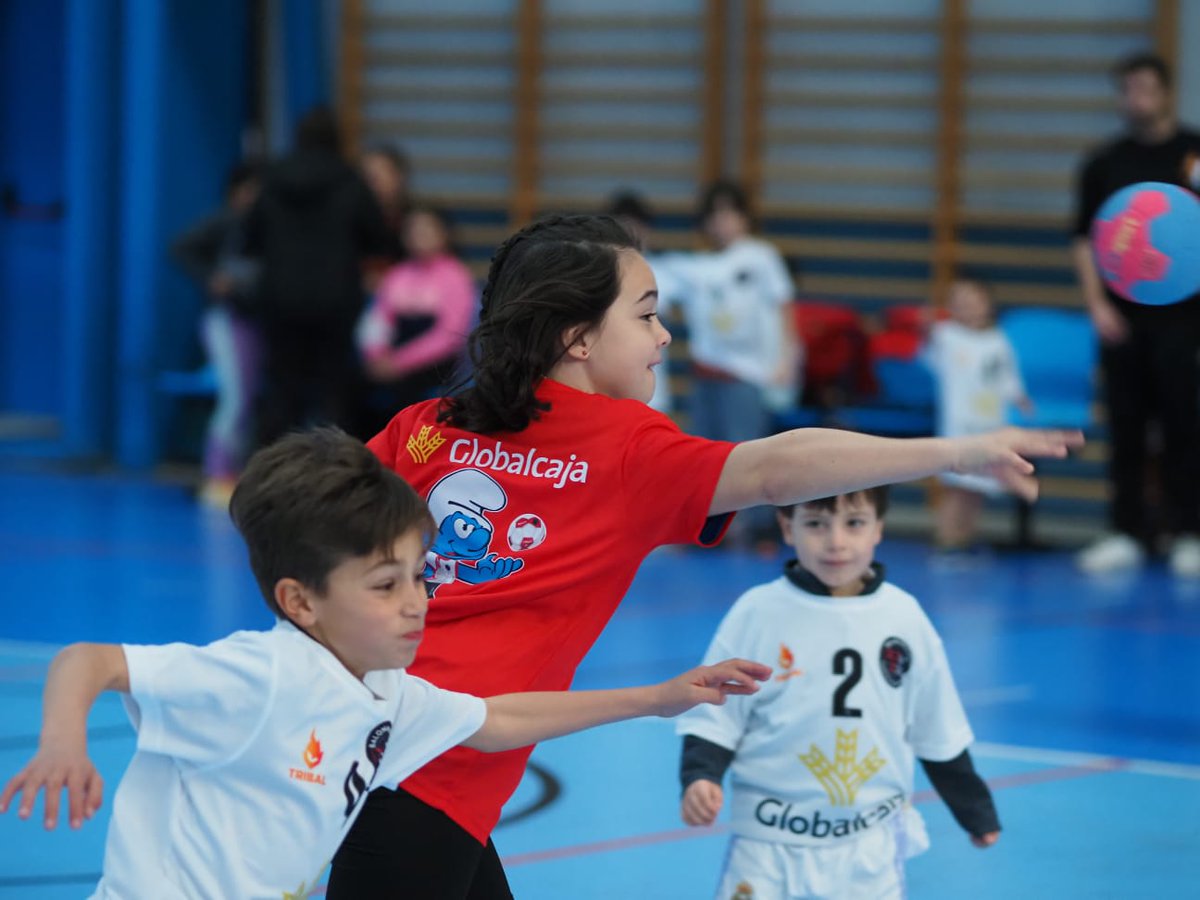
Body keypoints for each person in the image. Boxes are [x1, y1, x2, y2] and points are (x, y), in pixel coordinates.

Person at [331, 213, 1079, 898]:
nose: (664, 336)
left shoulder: (428, 424)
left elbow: (308, 523)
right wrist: (955, 452)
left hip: (385, 754)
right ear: (578, 338)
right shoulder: (627, 453)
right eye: (647, 314)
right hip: (428, 770)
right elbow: (779, 465)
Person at [0, 427, 768, 900]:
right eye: (384, 586)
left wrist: (658, 696)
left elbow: (498, 718)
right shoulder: (260, 676)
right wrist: (64, 744)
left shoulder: (384, 696)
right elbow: (87, 659)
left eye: (419, 577)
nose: (416, 602)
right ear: (301, 602)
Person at [677, 487, 1000, 899]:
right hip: (768, 842)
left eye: (855, 523)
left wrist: (975, 810)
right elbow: (716, 714)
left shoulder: (903, 616)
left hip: (869, 846)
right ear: (786, 527)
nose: (836, 542)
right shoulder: (757, 612)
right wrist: (700, 776)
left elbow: (937, 726)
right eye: (815, 524)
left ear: (879, 529)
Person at [1072, 52, 1200, 577]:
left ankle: (1189, 532)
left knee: (1184, 426)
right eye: (1129, 90)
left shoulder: (1193, 154)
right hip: (1121, 320)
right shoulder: (1105, 163)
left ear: (1167, 92)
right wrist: (1098, 305)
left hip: (1184, 321)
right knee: (1126, 426)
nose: (1138, 99)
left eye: (1147, 88)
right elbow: (1083, 239)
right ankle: (1125, 530)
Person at [659, 180, 802, 547]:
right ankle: (710, 530)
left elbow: (784, 307)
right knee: (704, 454)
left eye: (730, 213)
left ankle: (758, 529)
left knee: (747, 451)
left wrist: (787, 358)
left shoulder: (761, 257)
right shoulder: (697, 267)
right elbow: (657, 277)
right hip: (706, 372)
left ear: (744, 217)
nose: (722, 221)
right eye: (715, 215)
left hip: (748, 374)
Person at [244, 107, 395, 444]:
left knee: (282, 391)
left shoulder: (271, 180)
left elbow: (249, 238)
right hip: (336, 300)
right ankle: (335, 479)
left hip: (279, 298)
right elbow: (378, 240)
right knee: (334, 393)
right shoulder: (351, 182)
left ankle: (270, 474)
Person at [170, 161, 263, 508]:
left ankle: (235, 470)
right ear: (236, 192)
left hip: (254, 323)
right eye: (251, 190)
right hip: (225, 321)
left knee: (246, 398)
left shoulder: (266, 229)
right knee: (234, 397)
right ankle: (217, 472)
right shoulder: (225, 221)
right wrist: (211, 277)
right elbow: (180, 247)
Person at [926, 279, 1032, 559]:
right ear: (950, 308)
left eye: (974, 301)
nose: (969, 308)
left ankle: (964, 539)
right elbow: (927, 358)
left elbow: (1007, 376)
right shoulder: (945, 335)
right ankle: (946, 542)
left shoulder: (997, 340)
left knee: (978, 488)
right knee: (958, 487)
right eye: (960, 303)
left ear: (988, 305)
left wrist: (1019, 397)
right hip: (959, 427)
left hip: (988, 425)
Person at [357, 204, 476, 437]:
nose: (418, 235)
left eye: (426, 229)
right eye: (412, 229)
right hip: (392, 355)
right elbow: (376, 320)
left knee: (404, 394)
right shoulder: (397, 274)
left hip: (433, 363)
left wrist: (399, 363)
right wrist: (376, 355)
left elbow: (447, 336)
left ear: (444, 234)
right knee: (354, 384)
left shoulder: (455, 276)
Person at [606, 189, 687, 414]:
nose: (630, 233)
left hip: (653, 390)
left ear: (647, 230)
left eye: (636, 226)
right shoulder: (599, 276)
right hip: (611, 386)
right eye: (623, 226)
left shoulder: (664, 273)